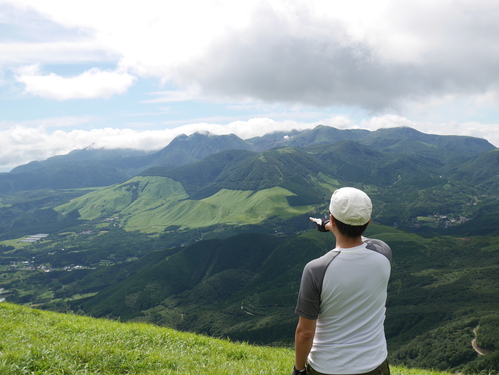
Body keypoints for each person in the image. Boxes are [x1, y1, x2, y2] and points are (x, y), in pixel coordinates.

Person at [292, 187, 392, 375]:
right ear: (369, 222)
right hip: (375, 364)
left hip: (328, 367)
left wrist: (299, 369)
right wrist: (331, 225)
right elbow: (363, 241)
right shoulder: (383, 253)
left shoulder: (316, 269)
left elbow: (305, 333)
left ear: (332, 218)